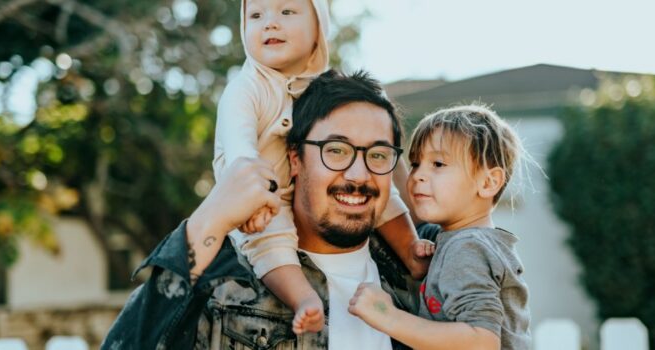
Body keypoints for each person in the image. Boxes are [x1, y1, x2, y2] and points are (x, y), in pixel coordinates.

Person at [102, 70, 431, 350]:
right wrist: (208, 219)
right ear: (295, 158)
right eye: (336, 150)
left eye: (377, 155)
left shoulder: (430, 269)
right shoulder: (227, 284)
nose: (358, 175)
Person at [213, 0, 431, 334]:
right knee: (270, 241)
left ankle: (411, 250)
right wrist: (254, 200)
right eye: (256, 16)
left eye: (286, 12)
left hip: (295, 189)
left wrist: (377, 140)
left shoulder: (326, 87)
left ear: (319, 28)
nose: (269, 24)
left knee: (376, 187)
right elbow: (241, 154)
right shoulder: (246, 90)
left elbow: (382, 164)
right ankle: (303, 298)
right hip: (259, 198)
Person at [348, 105, 533, 349]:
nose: (417, 176)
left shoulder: (467, 248)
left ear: (488, 182)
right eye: (415, 163)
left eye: (437, 164)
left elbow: (482, 341)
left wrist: (387, 316)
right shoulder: (458, 242)